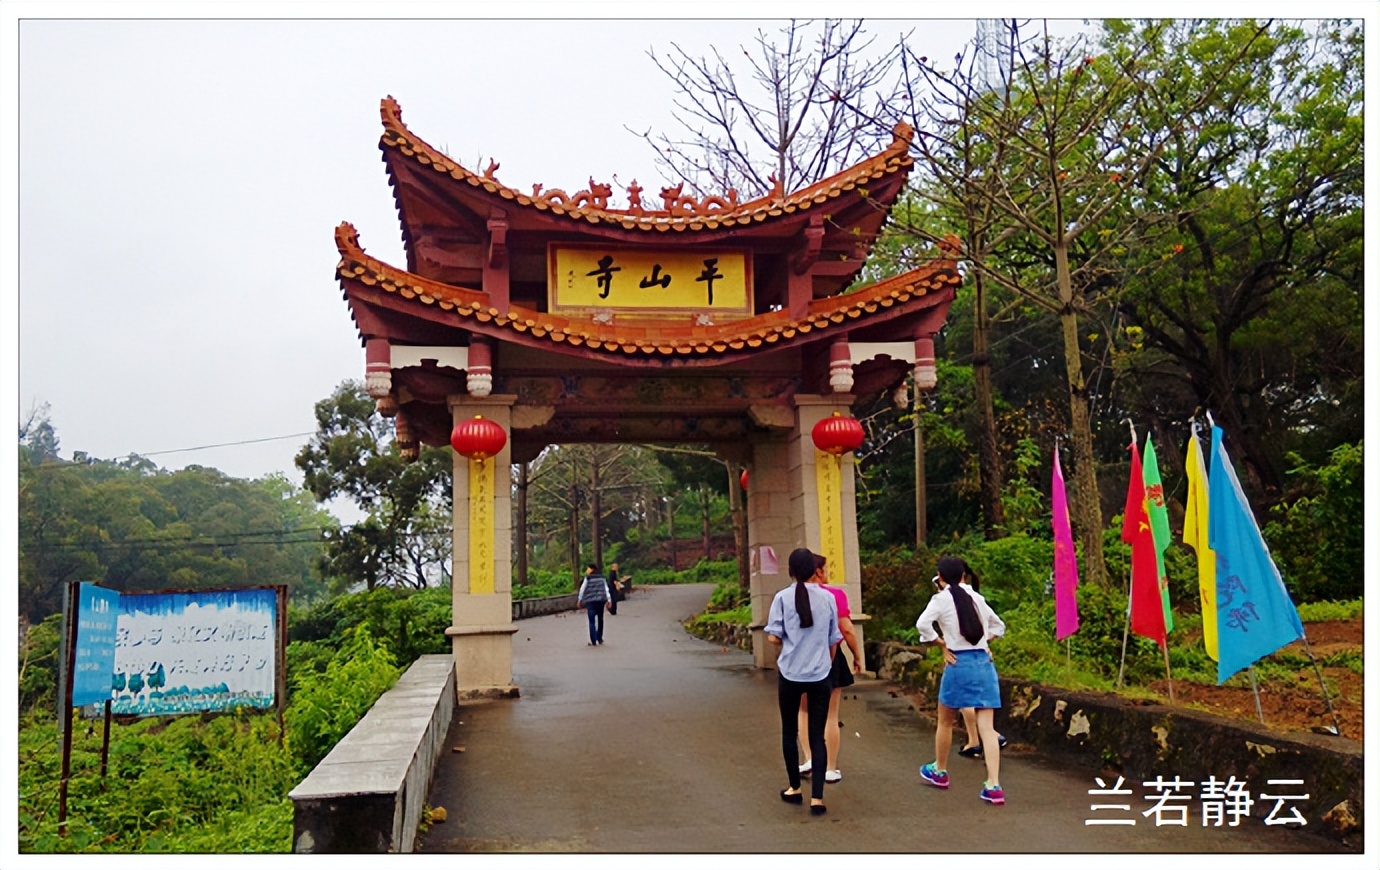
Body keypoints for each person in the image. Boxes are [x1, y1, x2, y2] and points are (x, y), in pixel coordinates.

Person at [914, 555, 1007, 805]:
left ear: (941, 578)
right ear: (964, 576)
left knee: (945, 721)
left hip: (958, 664)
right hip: (984, 665)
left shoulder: (940, 599)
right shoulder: (977, 598)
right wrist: (984, 643)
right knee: (987, 727)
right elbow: (999, 626)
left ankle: (940, 771)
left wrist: (940, 642)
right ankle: (993, 785)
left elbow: (922, 624)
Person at [765, 548, 841, 816]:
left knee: (789, 731)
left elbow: (773, 636)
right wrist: (827, 662)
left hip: (790, 673)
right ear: (813, 569)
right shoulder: (828, 598)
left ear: (791, 570)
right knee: (817, 735)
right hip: (820, 673)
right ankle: (817, 798)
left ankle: (794, 788)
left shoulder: (782, 598)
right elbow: (834, 638)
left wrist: (787, 642)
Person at [796, 553, 862, 784]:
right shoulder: (835, 595)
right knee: (830, 715)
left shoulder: (792, 596)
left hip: (801, 661)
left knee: (804, 711)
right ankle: (830, 768)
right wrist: (856, 655)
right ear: (818, 571)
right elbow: (847, 629)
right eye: (826, 568)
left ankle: (810, 759)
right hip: (829, 658)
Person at [949, 561, 1009, 760]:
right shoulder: (974, 598)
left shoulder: (957, 599)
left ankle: (977, 740)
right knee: (978, 705)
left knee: (967, 701)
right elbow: (998, 626)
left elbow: (997, 626)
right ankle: (979, 742)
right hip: (981, 657)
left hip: (963, 657)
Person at [575, 564, 612, 646]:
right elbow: (606, 589)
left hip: (590, 602)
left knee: (591, 621)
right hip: (600, 601)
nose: (587, 570)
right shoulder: (602, 578)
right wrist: (609, 600)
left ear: (592, 569)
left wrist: (579, 600)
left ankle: (593, 640)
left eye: (588, 569)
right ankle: (599, 638)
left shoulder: (588, 578)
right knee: (600, 619)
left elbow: (582, 589)